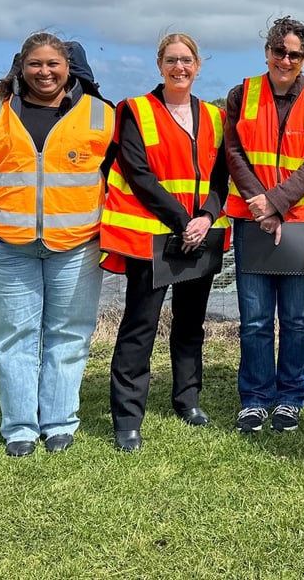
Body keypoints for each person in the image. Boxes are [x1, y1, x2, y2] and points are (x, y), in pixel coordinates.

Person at [0, 32, 115, 457]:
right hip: (5, 244)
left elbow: (116, 175)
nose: (45, 72)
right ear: (20, 67)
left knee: (69, 335)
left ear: (69, 68)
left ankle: (59, 422)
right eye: (36, 64)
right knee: (14, 336)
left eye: (53, 64)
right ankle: (20, 429)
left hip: (78, 244)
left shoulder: (101, 115)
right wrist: (8, 205)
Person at [101, 33, 230, 452]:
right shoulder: (135, 110)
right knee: (140, 327)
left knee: (191, 325)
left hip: (201, 234)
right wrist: (182, 221)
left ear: (198, 65)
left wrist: (206, 216)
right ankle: (127, 417)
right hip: (151, 237)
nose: (180, 67)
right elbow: (138, 174)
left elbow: (221, 177)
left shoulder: (214, 116)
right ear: (160, 64)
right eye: (172, 60)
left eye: (187, 60)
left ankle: (187, 399)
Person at [225, 16, 304, 434]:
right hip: (253, 221)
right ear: (267, 51)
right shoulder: (242, 93)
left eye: (294, 54)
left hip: (302, 222)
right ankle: (254, 398)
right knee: (254, 318)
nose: (285, 60)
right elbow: (233, 151)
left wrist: (276, 202)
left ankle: (290, 397)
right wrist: (261, 206)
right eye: (278, 51)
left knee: (296, 319)